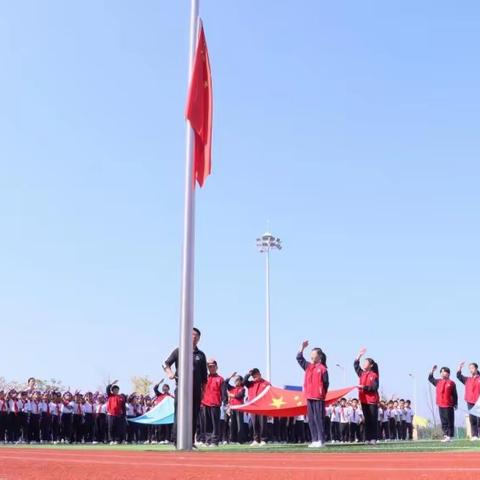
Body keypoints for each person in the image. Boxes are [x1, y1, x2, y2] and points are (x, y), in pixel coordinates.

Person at [164, 327, 208, 445]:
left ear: (199, 338)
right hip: (182, 389)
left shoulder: (201, 355)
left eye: (196, 335)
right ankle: (176, 440)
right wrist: (170, 373)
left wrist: (204, 391)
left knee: (194, 416)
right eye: (192, 334)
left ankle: (190, 442)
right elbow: (167, 363)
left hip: (196, 390)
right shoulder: (180, 350)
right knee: (179, 414)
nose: (194, 337)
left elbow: (205, 377)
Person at [296, 340, 329, 448]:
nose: (311, 357)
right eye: (310, 356)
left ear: (319, 356)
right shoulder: (308, 366)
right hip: (309, 396)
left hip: (318, 397)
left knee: (319, 419)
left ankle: (321, 440)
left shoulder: (323, 369)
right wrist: (302, 348)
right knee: (311, 419)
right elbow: (299, 358)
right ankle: (314, 439)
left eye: (313, 355)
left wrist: (321, 393)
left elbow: (326, 384)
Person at [354, 347, 380, 444]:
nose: (363, 364)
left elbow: (374, 387)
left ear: (371, 365)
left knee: (373, 420)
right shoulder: (362, 373)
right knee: (367, 420)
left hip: (372, 401)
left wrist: (363, 387)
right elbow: (356, 365)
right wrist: (359, 355)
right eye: (363, 362)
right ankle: (367, 438)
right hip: (363, 400)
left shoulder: (374, 375)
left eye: (366, 362)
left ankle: (373, 438)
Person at [428, 365, 457, 442]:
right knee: (443, 421)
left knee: (449, 421)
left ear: (448, 374)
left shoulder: (451, 383)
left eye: (444, 372)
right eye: (441, 372)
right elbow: (430, 379)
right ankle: (445, 435)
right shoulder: (438, 382)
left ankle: (450, 436)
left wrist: (455, 403)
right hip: (440, 404)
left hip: (448, 405)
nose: (443, 373)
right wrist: (432, 371)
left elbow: (454, 394)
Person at [243, 368, 270, 446]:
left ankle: (263, 440)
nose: (255, 376)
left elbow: (270, 395)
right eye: (253, 375)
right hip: (253, 407)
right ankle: (256, 440)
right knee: (254, 424)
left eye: (256, 374)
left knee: (262, 424)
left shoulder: (266, 383)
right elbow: (244, 381)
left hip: (262, 407)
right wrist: (249, 374)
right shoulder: (250, 384)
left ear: (259, 374)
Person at [201, 359, 224, 446]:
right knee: (207, 424)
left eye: (213, 366)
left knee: (215, 424)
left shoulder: (220, 379)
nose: (211, 368)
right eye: (209, 367)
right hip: (205, 403)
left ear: (216, 367)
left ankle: (215, 441)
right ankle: (208, 440)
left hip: (215, 404)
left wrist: (225, 403)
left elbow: (223, 392)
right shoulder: (204, 378)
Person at [457, 361, 480, 441]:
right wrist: (460, 368)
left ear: (476, 369)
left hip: (478, 401)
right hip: (470, 401)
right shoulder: (467, 379)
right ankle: (475, 435)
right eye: (469, 368)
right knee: (472, 419)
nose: (471, 370)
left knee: (479, 419)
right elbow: (459, 376)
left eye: (472, 368)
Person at [224, 373, 245, 444]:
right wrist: (230, 376)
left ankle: (240, 440)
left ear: (241, 381)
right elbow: (225, 383)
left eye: (237, 380)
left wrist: (232, 395)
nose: (236, 381)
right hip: (232, 408)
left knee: (240, 425)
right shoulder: (232, 388)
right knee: (232, 424)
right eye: (235, 380)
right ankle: (233, 440)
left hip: (239, 408)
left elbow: (240, 396)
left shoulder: (242, 389)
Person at [106, 380, 126, 445]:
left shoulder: (121, 398)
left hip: (118, 415)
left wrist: (124, 415)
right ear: (112, 390)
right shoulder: (110, 395)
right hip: (111, 414)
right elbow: (107, 388)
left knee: (118, 428)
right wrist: (112, 384)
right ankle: (111, 440)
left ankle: (117, 440)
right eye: (114, 389)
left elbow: (123, 407)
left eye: (117, 389)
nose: (116, 391)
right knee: (111, 428)